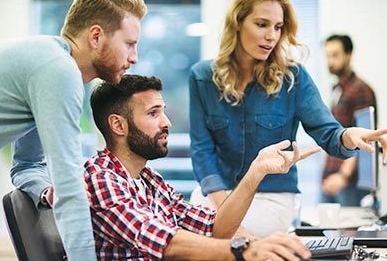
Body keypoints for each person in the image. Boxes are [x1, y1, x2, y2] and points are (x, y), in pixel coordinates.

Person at [188, 0, 387, 237]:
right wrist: (228, 219)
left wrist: (348, 136)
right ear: (238, 23)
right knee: (198, 234)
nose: (271, 35)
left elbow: (328, 132)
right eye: (262, 24)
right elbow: (201, 150)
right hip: (217, 194)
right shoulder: (202, 77)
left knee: (220, 238)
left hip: (272, 197)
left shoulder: (293, 77)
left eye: (278, 27)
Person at [0, 0, 146, 260]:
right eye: (129, 44)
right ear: (96, 36)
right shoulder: (57, 69)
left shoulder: (48, 66)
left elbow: (27, 167)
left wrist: (44, 191)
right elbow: (70, 186)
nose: (134, 57)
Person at [85, 74, 320, 261]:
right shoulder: (100, 179)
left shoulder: (149, 179)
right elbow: (165, 242)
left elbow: (215, 228)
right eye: (153, 113)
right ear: (118, 124)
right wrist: (246, 250)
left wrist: (256, 171)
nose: (166, 122)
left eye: (163, 111)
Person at [320, 34, 377, 206]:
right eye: (327, 56)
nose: (330, 61)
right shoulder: (338, 89)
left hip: (348, 183)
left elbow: (363, 138)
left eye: (335, 55)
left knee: (348, 233)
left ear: (349, 54)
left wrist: (343, 176)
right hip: (331, 176)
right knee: (328, 232)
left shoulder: (360, 90)